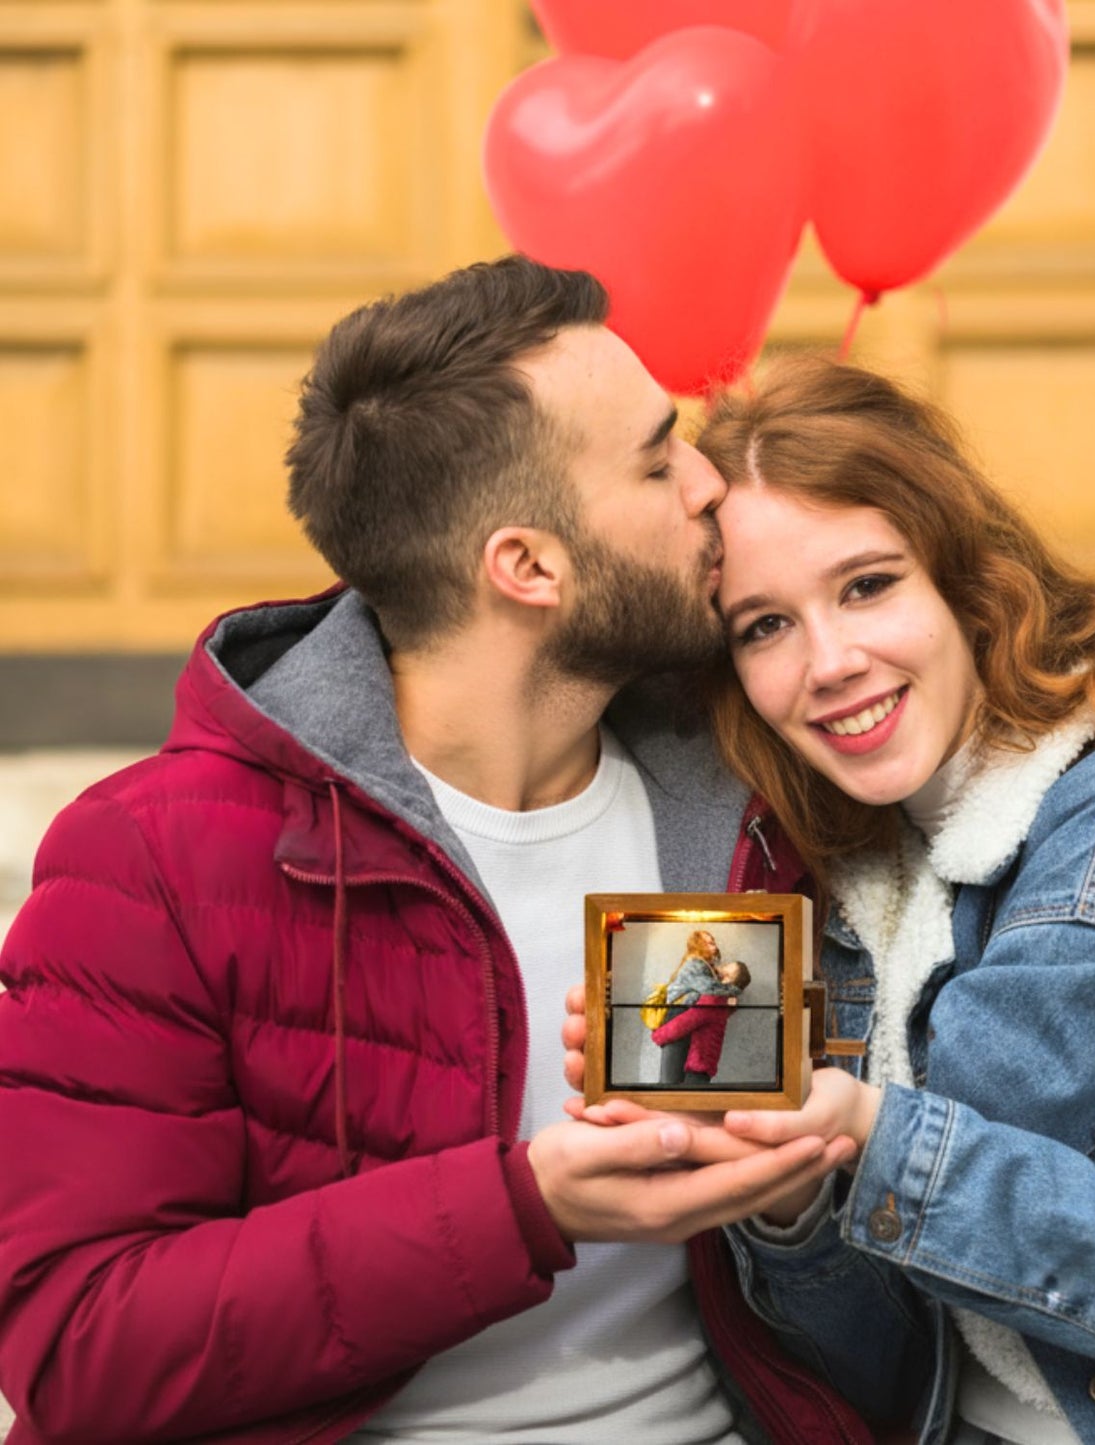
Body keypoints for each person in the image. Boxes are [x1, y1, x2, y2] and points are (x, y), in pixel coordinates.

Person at [0, 261, 864, 1445]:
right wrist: (520, 1207)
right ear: (528, 567)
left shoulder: (751, 795)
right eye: (656, 460)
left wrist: (794, 1203)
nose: (710, 482)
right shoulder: (149, 859)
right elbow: (80, 1346)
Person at [565, 354, 1095, 1443]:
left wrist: (870, 1133)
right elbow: (887, 1373)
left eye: (866, 584)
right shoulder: (850, 892)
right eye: (763, 625)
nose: (829, 661)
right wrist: (788, 1189)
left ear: (963, 580)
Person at [653, 962, 753, 1085]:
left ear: (728, 979)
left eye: (726, 969)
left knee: (680, 1095)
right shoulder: (723, 1001)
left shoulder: (714, 999)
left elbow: (687, 1021)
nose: (721, 969)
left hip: (697, 1063)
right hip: (705, 1062)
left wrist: (658, 1035)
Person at [657, 929, 732, 1086]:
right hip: (680, 1013)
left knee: (676, 1072)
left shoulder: (705, 966)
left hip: (686, 1015)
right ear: (698, 945)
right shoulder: (695, 964)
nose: (714, 945)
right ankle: (667, 1100)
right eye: (708, 942)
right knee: (671, 1077)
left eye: (713, 942)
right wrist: (735, 989)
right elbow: (709, 988)